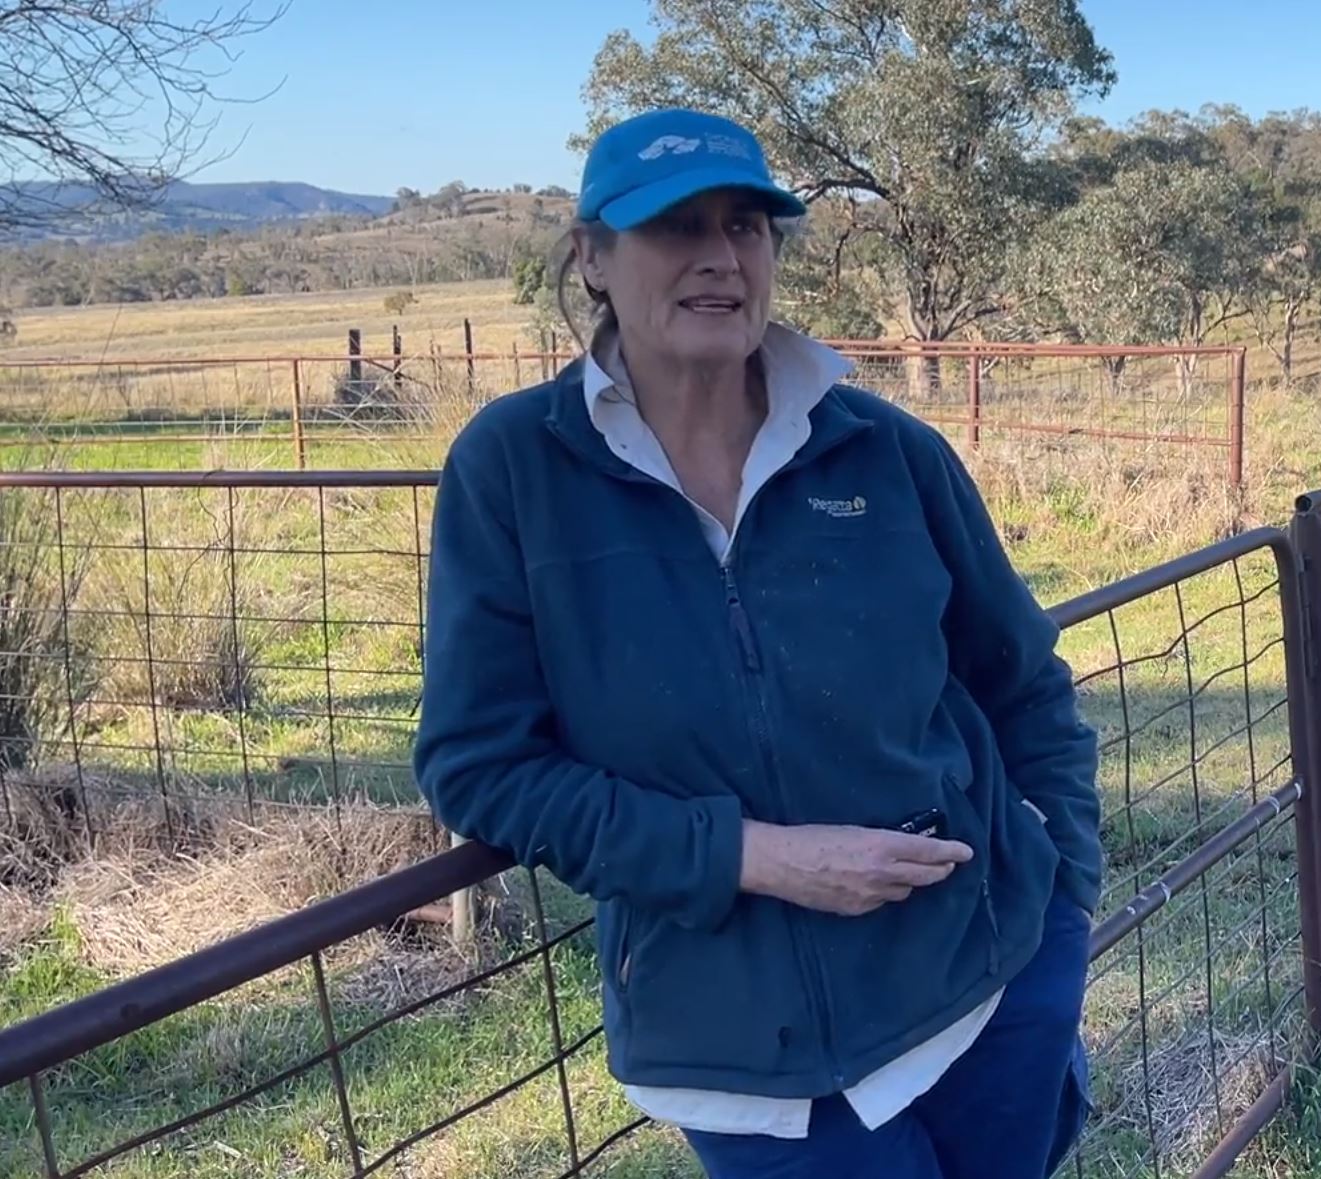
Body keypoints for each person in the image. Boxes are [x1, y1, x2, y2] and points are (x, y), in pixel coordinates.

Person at [411, 107, 1102, 1179]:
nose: (720, 257)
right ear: (591, 257)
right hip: (737, 1046)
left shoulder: (883, 452)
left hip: (988, 984)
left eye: (746, 225)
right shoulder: (515, 471)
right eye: (675, 226)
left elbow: (1022, 679)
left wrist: (1066, 890)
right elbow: (478, 762)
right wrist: (755, 858)